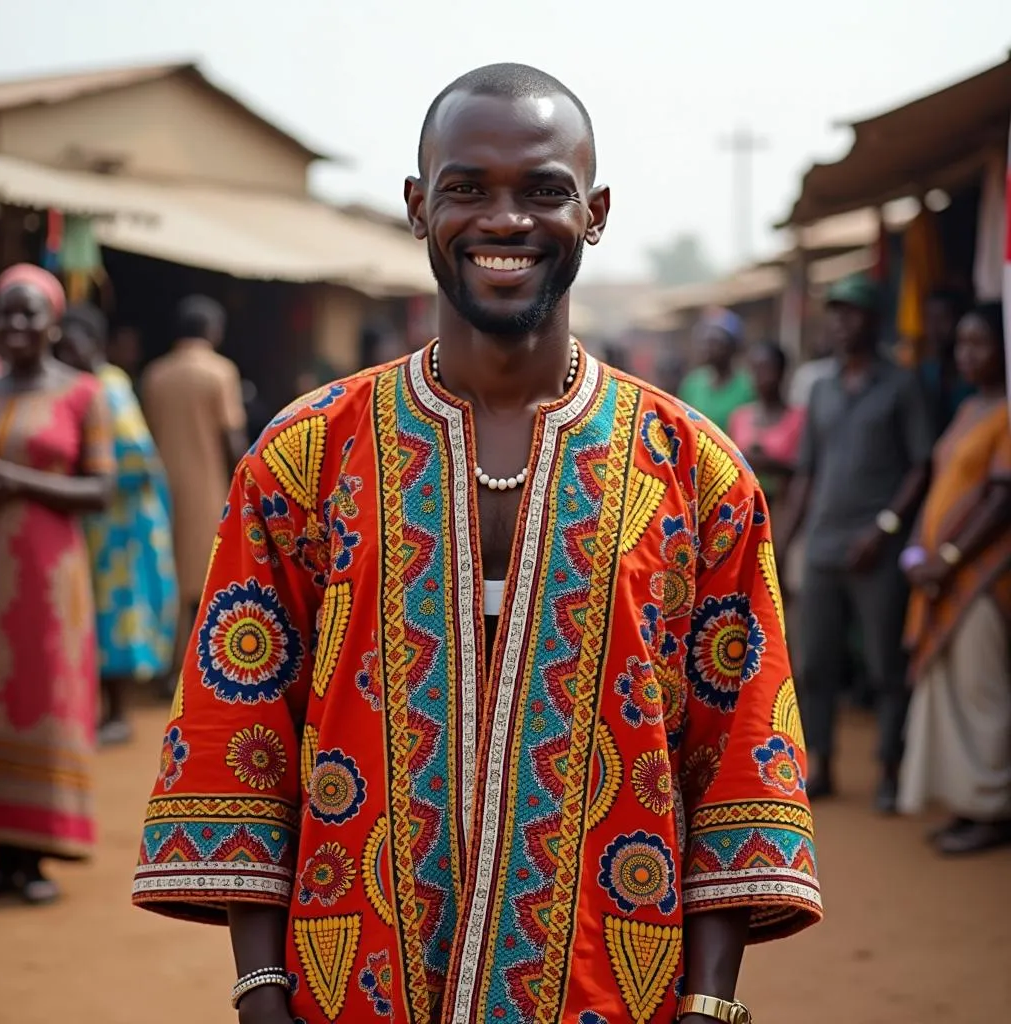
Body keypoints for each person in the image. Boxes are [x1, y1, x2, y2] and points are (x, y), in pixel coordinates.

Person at [132, 64, 821, 1024]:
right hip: (355, 989)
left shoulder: (695, 472)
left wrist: (708, 1006)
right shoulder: (307, 455)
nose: (506, 220)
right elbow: (240, 724)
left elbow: (738, 749)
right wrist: (260, 990)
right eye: (467, 189)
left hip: (612, 993)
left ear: (596, 211)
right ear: (419, 207)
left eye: (544, 190)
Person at [776, 273, 934, 813]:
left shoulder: (901, 385)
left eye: (853, 313)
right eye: (836, 313)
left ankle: (889, 767)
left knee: (885, 666)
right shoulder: (820, 388)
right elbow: (805, 475)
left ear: (874, 320)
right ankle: (820, 763)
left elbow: (921, 465)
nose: (841, 323)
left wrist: (886, 527)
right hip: (822, 545)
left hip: (877, 549)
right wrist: (781, 539)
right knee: (815, 663)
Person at [0, 265, 113, 904]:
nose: (15, 324)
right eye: (5, 312)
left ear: (54, 323)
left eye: (28, 313)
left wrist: (19, 481)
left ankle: (32, 857)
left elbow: (101, 487)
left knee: (42, 696)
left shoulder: (83, 394)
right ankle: (1, 856)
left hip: (47, 577)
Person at [898, 303, 1011, 854]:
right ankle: (969, 804)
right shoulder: (969, 410)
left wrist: (947, 556)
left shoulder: (1006, 413)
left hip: (983, 581)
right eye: (962, 343)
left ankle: (992, 809)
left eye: (980, 344)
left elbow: (1001, 498)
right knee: (952, 693)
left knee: (980, 691)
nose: (968, 355)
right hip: (944, 575)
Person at [55, 303, 178, 745]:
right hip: (98, 522)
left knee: (120, 613)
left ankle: (119, 712)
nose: (67, 355)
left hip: (122, 525)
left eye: (75, 346)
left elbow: (135, 457)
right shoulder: (79, 386)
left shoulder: (108, 386)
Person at [140, 296, 247, 632]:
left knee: (167, 571)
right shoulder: (221, 372)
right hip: (209, 487)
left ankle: (165, 663)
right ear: (213, 331)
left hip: (160, 488)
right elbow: (233, 439)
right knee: (206, 578)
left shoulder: (154, 374)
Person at [728, 341, 805, 508]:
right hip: (745, 508)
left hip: (785, 508)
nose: (759, 376)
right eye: (754, 369)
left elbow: (805, 470)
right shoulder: (740, 417)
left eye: (766, 369)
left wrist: (770, 464)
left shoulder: (798, 419)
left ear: (782, 372)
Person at [678, 309, 755, 431]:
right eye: (705, 342)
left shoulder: (748, 386)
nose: (708, 348)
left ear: (732, 346)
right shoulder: (692, 383)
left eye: (715, 343)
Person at [917, 287, 974, 433]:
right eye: (929, 319)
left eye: (942, 318)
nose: (934, 328)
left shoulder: (977, 376)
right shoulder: (924, 373)